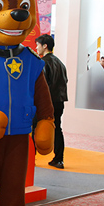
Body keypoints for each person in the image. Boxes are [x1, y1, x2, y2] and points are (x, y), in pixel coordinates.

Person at [35, 34, 68, 169]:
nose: (36, 48)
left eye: (38, 45)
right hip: (59, 101)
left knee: (34, 127)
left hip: (46, 102)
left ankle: (30, 158)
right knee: (57, 128)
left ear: (45, 46)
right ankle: (59, 159)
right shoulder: (61, 63)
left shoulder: (42, 62)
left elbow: (41, 84)